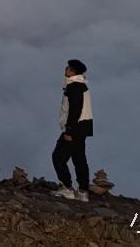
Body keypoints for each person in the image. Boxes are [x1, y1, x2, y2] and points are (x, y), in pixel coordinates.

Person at [52, 58, 95, 202]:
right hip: (83, 127)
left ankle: (67, 188)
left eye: (68, 68)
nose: (65, 70)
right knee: (79, 159)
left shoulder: (74, 87)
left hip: (75, 128)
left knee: (58, 157)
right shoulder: (81, 86)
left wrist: (69, 130)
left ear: (73, 72)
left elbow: (74, 110)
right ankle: (83, 192)